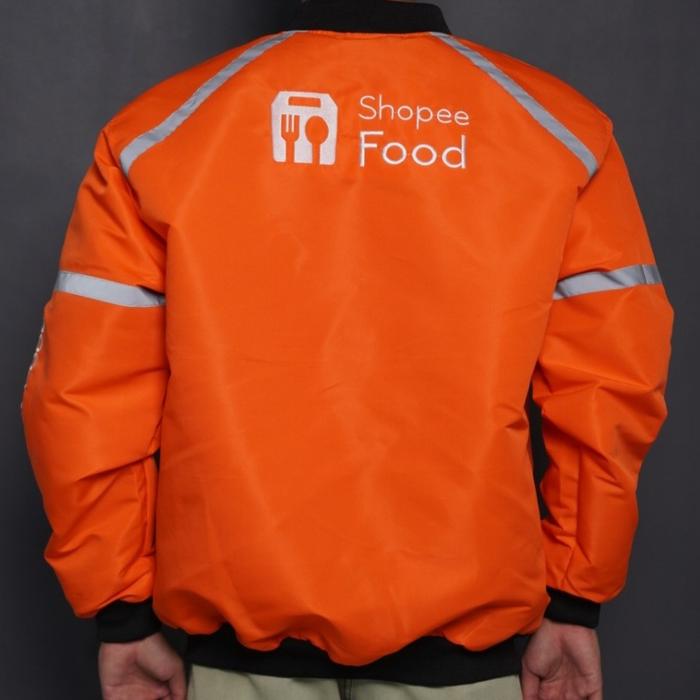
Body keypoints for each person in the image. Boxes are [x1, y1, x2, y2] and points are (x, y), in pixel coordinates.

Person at [20, 1, 674, 699]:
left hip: (241, 642)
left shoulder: (158, 133)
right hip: (465, 642)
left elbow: (86, 392)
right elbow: (611, 386)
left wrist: (122, 612)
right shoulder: (561, 134)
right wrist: (574, 597)